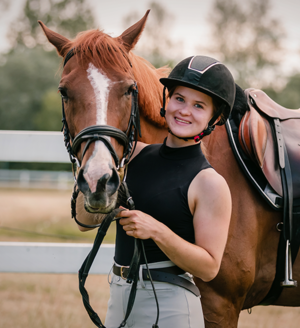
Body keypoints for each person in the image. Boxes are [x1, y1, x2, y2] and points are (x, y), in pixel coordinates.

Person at [77, 55, 234, 328]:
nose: (184, 110)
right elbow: (83, 223)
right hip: (119, 295)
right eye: (179, 99)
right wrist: (92, 181)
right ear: (167, 101)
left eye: (199, 106)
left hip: (170, 304)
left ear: (214, 118)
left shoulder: (209, 182)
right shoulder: (132, 156)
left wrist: (156, 231)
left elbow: (209, 268)